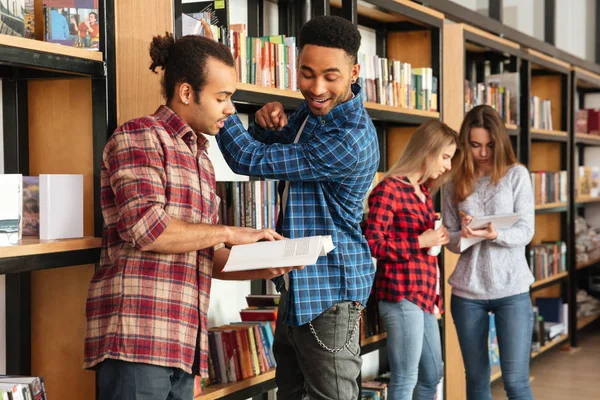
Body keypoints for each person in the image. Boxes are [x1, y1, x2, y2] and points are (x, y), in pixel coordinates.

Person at [84, 32, 300, 400]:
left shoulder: (201, 159)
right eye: (222, 97)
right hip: (137, 341)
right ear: (186, 93)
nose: (230, 109)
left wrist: (262, 267)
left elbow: (202, 254)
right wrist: (234, 232)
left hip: (184, 345)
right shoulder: (139, 137)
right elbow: (148, 230)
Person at [216, 15, 380, 400]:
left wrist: (218, 103)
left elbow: (248, 160)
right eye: (306, 74)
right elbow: (276, 148)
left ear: (354, 72)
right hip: (299, 284)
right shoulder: (315, 114)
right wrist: (263, 122)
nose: (316, 88)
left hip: (329, 290)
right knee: (290, 393)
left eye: (330, 76)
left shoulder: (350, 140)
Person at [442, 105, 535, 400]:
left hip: (512, 289)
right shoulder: (453, 179)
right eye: (475, 145)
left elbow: (526, 231)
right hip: (468, 292)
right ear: (465, 143)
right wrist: (464, 236)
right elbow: (449, 238)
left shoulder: (516, 175)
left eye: (489, 145)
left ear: (500, 142)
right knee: (477, 380)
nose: (482, 152)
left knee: (516, 381)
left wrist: (496, 234)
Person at [365, 120, 459, 400]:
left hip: (425, 297)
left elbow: (423, 242)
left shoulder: (423, 194)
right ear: (427, 151)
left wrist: (435, 239)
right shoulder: (389, 189)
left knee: (432, 374)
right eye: (445, 157)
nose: (448, 166)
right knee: (406, 379)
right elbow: (373, 243)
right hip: (401, 296)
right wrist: (420, 241)